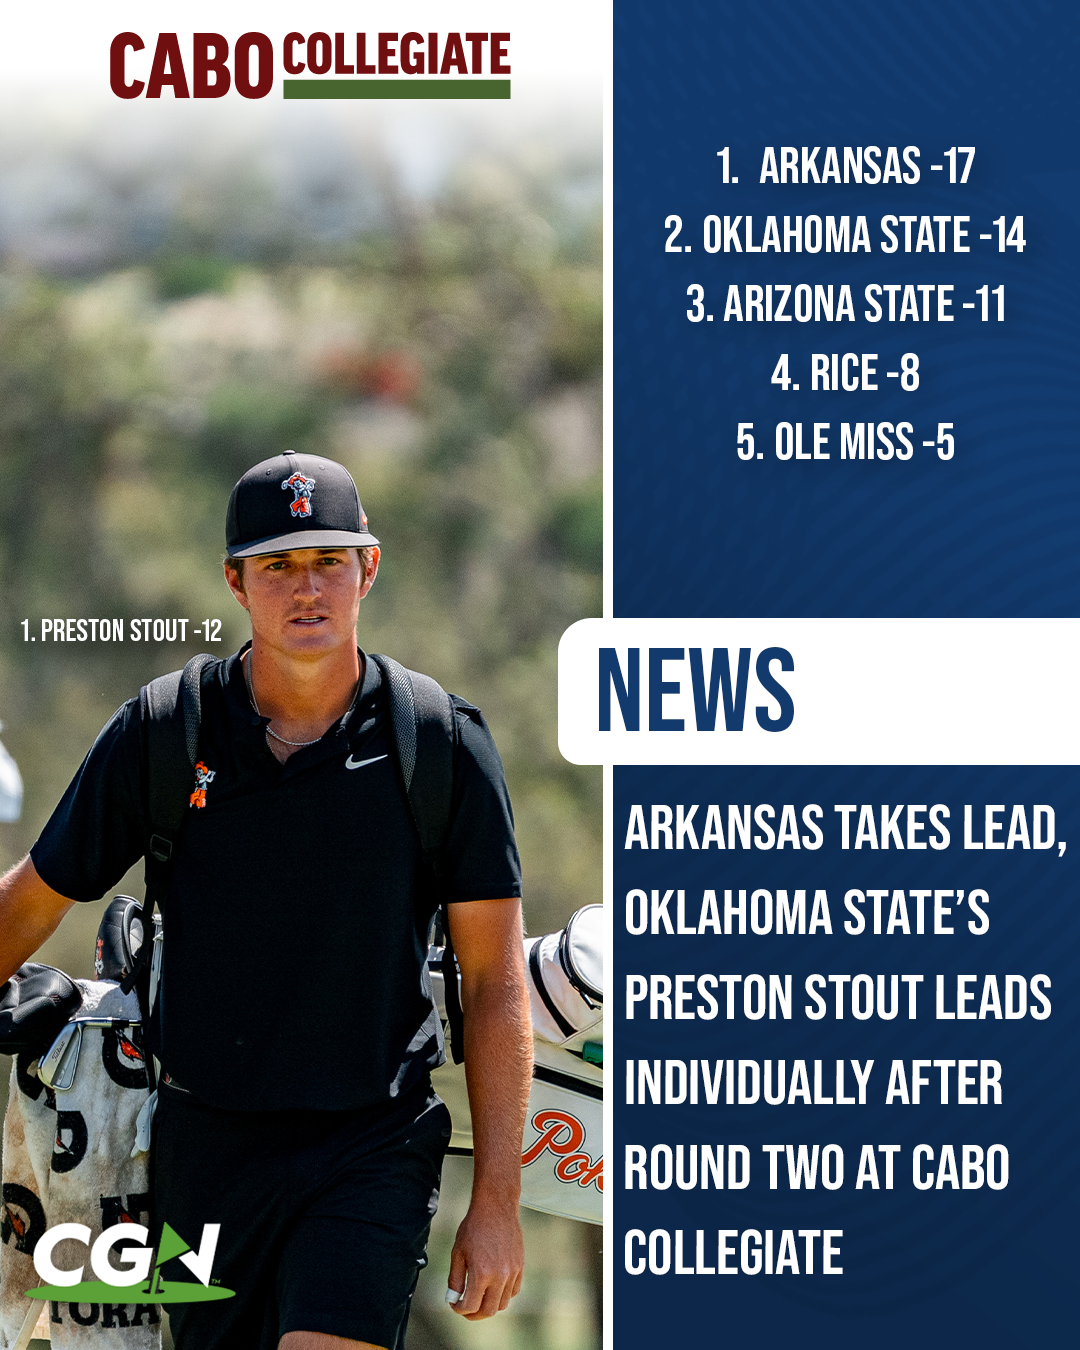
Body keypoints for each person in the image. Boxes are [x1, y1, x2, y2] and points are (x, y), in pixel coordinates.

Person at [0, 450, 533, 1350]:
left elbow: (495, 984)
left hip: (372, 1141)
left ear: (369, 567)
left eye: (328, 559)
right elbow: (33, 901)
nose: (307, 588)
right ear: (236, 583)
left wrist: (499, 1205)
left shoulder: (440, 743)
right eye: (277, 565)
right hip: (206, 1148)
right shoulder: (166, 732)